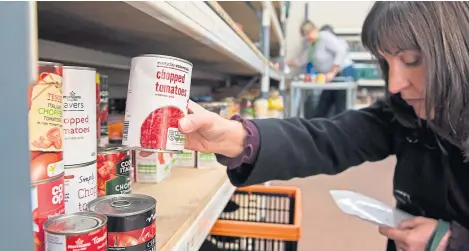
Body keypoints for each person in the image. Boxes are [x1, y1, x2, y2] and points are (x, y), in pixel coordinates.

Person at [179, 2, 469, 251]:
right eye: (386, 62)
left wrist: (451, 241)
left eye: (411, 60)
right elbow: (330, 137)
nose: (394, 85)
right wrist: (241, 138)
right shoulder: (405, 113)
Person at [289, 20, 357, 118]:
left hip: (343, 73)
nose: (308, 37)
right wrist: (282, 62)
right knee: (323, 108)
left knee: (341, 109)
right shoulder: (312, 45)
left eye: (309, 33)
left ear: (315, 30)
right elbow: (301, 60)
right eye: (306, 35)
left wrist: (333, 72)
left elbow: (341, 52)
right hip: (330, 77)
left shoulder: (324, 36)